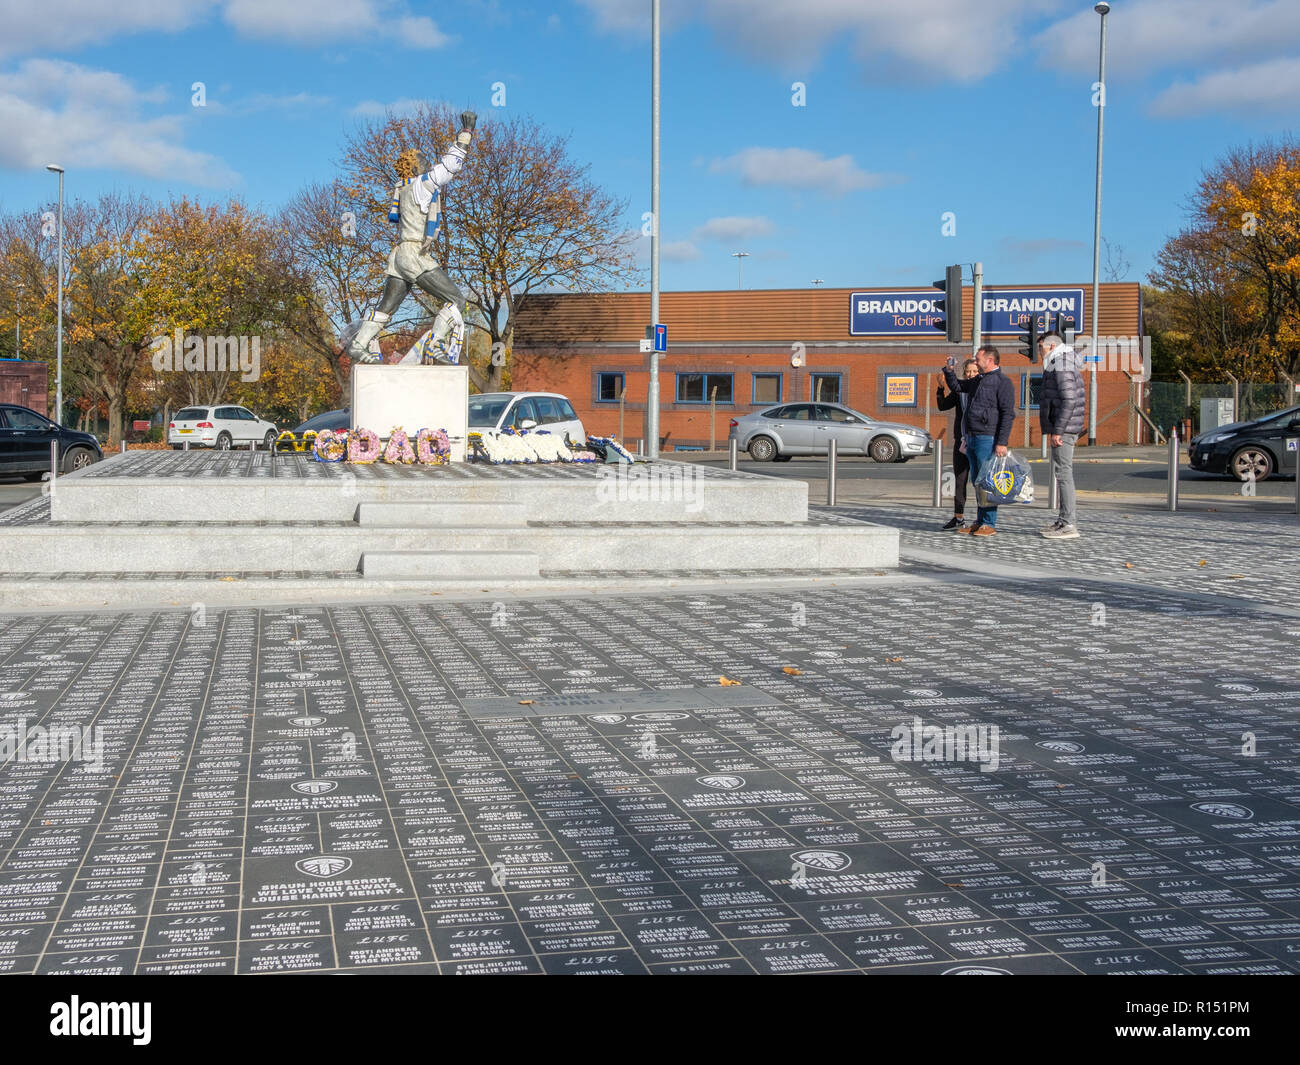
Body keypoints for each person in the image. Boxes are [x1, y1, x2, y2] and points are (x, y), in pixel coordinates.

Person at [345, 111, 478, 365]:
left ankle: (359, 344)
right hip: (416, 254)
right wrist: (467, 132)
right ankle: (435, 344)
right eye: (424, 160)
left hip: (399, 255)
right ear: (415, 165)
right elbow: (451, 165)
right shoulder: (422, 184)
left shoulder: (402, 188)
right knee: (456, 299)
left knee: (387, 306)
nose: (428, 163)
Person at [941, 345, 1016, 536]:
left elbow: (1008, 414)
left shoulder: (1002, 382)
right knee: (978, 481)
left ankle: (989, 523)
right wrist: (949, 371)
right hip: (972, 436)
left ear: (989, 360)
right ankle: (980, 520)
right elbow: (958, 387)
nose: (975, 361)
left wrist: (1002, 442)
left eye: (978, 359)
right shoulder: (979, 380)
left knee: (987, 480)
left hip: (987, 437)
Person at [1037, 331, 1085, 539]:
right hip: (1063, 426)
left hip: (1064, 428)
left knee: (1064, 474)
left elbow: (1069, 399)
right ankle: (1063, 519)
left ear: (1052, 346)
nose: (1039, 351)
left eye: (1041, 347)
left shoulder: (1061, 364)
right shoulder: (1059, 362)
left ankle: (1069, 524)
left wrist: (1058, 430)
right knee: (1061, 473)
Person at [935, 357, 979, 530]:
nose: (971, 374)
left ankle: (982, 519)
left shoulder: (983, 389)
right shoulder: (960, 391)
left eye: (974, 371)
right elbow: (943, 406)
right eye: (968, 371)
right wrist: (940, 387)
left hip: (979, 440)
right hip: (961, 441)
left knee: (979, 482)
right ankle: (958, 517)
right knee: (960, 481)